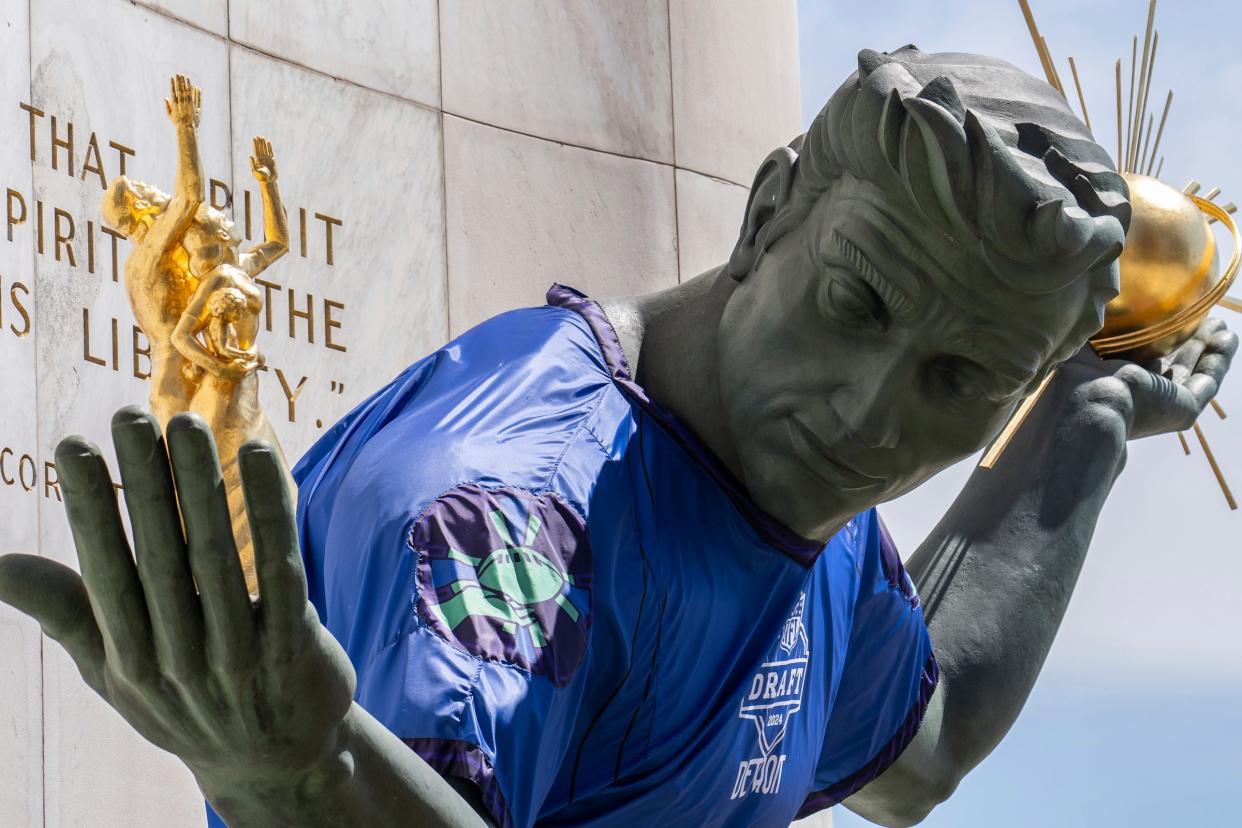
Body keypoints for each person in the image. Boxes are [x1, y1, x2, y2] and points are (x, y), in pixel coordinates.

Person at [0, 46, 1235, 828]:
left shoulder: (815, 512)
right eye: (856, 302)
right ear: (765, 219)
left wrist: (1088, 416)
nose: (872, 410)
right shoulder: (501, 517)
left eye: (964, 376)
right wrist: (299, 783)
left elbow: (928, 736)